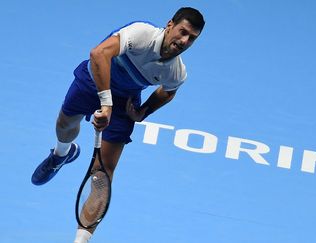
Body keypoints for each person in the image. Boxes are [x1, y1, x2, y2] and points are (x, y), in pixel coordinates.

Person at [31, 7, 205, 243]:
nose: (184, 41)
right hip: (93, 81)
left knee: (102, 174)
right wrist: (106, 103)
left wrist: (143, 112)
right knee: (65, 125)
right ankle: (62, 153)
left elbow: (168, 92)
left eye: (191, 38)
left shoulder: (176, 71)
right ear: (170, 24)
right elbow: (99, 54)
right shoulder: (140, 34)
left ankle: (80, 241)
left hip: (124, 103)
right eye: (182, 32)